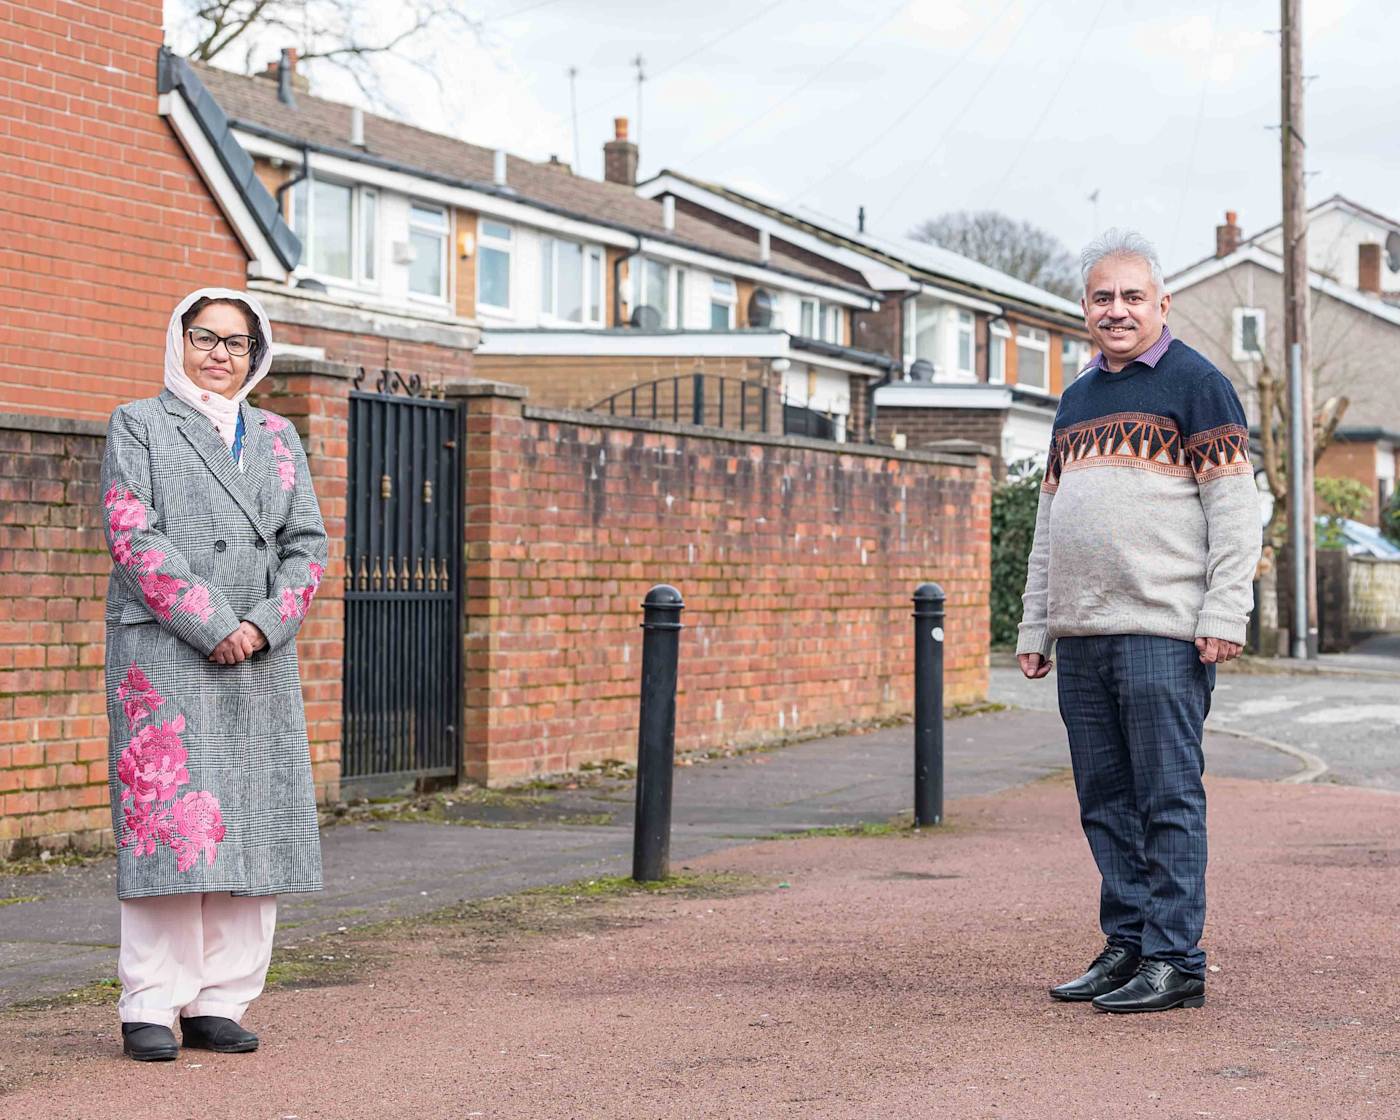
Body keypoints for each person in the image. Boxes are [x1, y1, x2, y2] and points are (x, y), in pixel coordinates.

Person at [1017, 230, 1261, 1013]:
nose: (1115, 311)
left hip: (1164, 630)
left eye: (1131, 297)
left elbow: (1235, 510)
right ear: (1084, 308)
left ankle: (1174, 959)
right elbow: (1049, 524)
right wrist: (1035, 624)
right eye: (1101, 298)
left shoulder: (1198, 384)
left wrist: (1227, 610)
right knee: (1105, 800)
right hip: (1084, 633)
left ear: (1162, 305)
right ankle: (1127, 946)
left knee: (1167, 797)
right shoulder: (1074, 399)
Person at [101, 288, 328, 1060]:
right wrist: (213, 622)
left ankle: (221, 1000)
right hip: (170, 651)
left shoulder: (277, 434)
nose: (219, 355)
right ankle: (150, 1003)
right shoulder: (139, 423)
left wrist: (263, 624)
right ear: (180, 340)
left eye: (236, 343)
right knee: (172, 828)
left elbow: (309, 543)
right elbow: (133, 535)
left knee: (250, 824)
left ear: (255, 355)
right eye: (206, 338)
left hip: (259, 653)